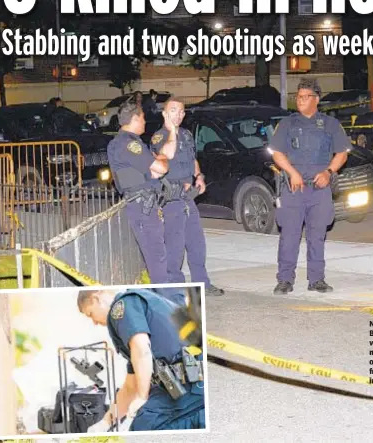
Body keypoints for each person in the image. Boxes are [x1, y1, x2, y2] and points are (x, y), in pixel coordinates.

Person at [78, 288, 206, 431]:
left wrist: (141, 396)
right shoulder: (142, 303)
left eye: (90, 314)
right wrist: (106, 422)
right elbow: (130, 387)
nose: (94, 322)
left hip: (189, 386)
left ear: (96, 299)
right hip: (189, 383)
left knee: (144, 427)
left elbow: (142, 349)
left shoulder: (121, 306)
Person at [268, 78, 349, 295]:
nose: (301, 100)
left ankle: (317, 279)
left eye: (305, 97)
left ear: (317, 99)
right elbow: (277, 152)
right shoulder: (287, 123)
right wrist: (292, 173)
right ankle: (285, 279)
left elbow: (342, 153)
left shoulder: (330, 124)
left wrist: (328, 172)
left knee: (317, 235)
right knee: (289, 236)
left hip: (319, 189)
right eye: (298, 97)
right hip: (294, 189)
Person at [150, 97, 225, 297]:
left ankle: (202, 283)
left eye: (182, 111)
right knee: (174, 247)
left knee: (196, 243)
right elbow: (166, 155)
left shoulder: (187, 135)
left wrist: (198, 177)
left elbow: (192, 160)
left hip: (187, 198)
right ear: (164, 113)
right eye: (173, 111)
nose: (179, 115)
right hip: (171, 199)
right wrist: (172, 131)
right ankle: (175, 287)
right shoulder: (160, 137)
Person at [107, 102, 170, 284]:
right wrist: (163, 157)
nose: (145, 122)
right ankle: (163, 299)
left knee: (156, 254)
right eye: (142, 118)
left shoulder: (129, 143)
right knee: (156, 255)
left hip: (144, 204)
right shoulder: (127, 144)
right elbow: (160, 168)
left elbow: (153, 172)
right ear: (134, 119)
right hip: (141, 205)